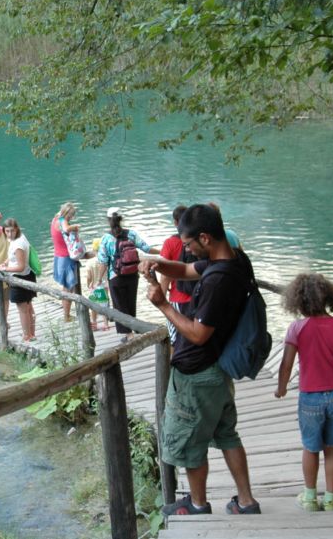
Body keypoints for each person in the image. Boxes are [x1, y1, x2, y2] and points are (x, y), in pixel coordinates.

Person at [140, 204, 260, 516]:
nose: (188, 252)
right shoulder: (234, 261)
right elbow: (183, 271)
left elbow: (197, 333)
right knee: (227, 434)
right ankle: (246, 502)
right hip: (220, 370)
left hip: (198, 373)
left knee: (191, 442)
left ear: (205, 238)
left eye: (190, 245)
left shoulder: (218, 280)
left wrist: (163, 306)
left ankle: (196, 504)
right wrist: (156, 263)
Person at [274, 273, 333, 513]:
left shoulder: (296, 328)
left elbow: (286, 363)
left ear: (298, 302)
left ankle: (309, 498)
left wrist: (282, 387)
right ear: (329, 297)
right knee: (332, 449)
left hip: (310, 397)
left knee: (310, 447)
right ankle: (330, 499)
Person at [95, 207, 158, 343]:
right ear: (121, 219)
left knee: (120, 306)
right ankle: (132, 331)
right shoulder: (131, 234)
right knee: (130, 303)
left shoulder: (106, 239)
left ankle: (129, 335)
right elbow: (146, 248)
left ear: (108, 220)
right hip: (132, 275)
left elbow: (103, 262)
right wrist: (163, 251)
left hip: (115, 277)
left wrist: (99, 279)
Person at [0, 218, 37, 342]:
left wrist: (4, 270)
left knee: (24, 310)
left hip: (20, 278)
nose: (9, 234)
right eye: (7, 231)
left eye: (12, 231)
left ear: (17, 229)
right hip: (27, 275)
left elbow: (20, 266)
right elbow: (13, 257)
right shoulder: (17, 239)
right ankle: (31, 334)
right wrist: (5, 263)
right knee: (28, 307)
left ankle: (27, 336)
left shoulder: (18, 244)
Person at [158, 205, 191, 345]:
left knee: (175, 339)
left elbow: (165, 275)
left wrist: (160, 298)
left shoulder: (170, 243)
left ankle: (174, 366)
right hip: (198, 295)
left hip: (178, 298)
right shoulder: (197, 241)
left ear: (175, 222)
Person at [51, 202, 82, 322]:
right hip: (66, 258)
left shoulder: (55, 219)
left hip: (58, 257)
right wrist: (74, 227)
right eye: (71, 216)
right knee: (68, 289)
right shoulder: (63, 221)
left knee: (66, 288)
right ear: (67, 213)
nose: (71, 218)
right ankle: (67, 316)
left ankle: (67, 314)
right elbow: (66, 228)